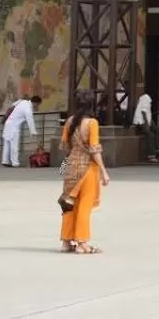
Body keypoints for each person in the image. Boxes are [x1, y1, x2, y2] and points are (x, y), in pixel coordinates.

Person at [58, 90, 109, 253]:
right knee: (84, 206)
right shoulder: (92, 123)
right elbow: (94, 150)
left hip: (70, 167)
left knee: (68, 204)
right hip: (87, 168)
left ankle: (66, 242)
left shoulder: (69, 122)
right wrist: (104, 171)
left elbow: (64, 146)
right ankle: (82, 243)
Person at [2, 94, 40, 167]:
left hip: (8, 124)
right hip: (14, 126)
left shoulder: (23, 101)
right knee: (14, 145)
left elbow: (13, 104)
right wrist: (33, 132)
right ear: (35, 103)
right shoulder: (28, 109)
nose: (37, 106)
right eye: (38, 104)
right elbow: (30, 121)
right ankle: (15, 163)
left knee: (7, 144)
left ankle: (5, 161)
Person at [131, 89, 154, 160]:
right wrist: (146, 125)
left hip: (144, 121)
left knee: (157, 131)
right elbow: (143, 112)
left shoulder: (144, 98)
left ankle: (156, 149)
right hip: (140, 121)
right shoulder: (146, 98)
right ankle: (151, 155)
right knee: (150, 135)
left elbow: (147, 113)